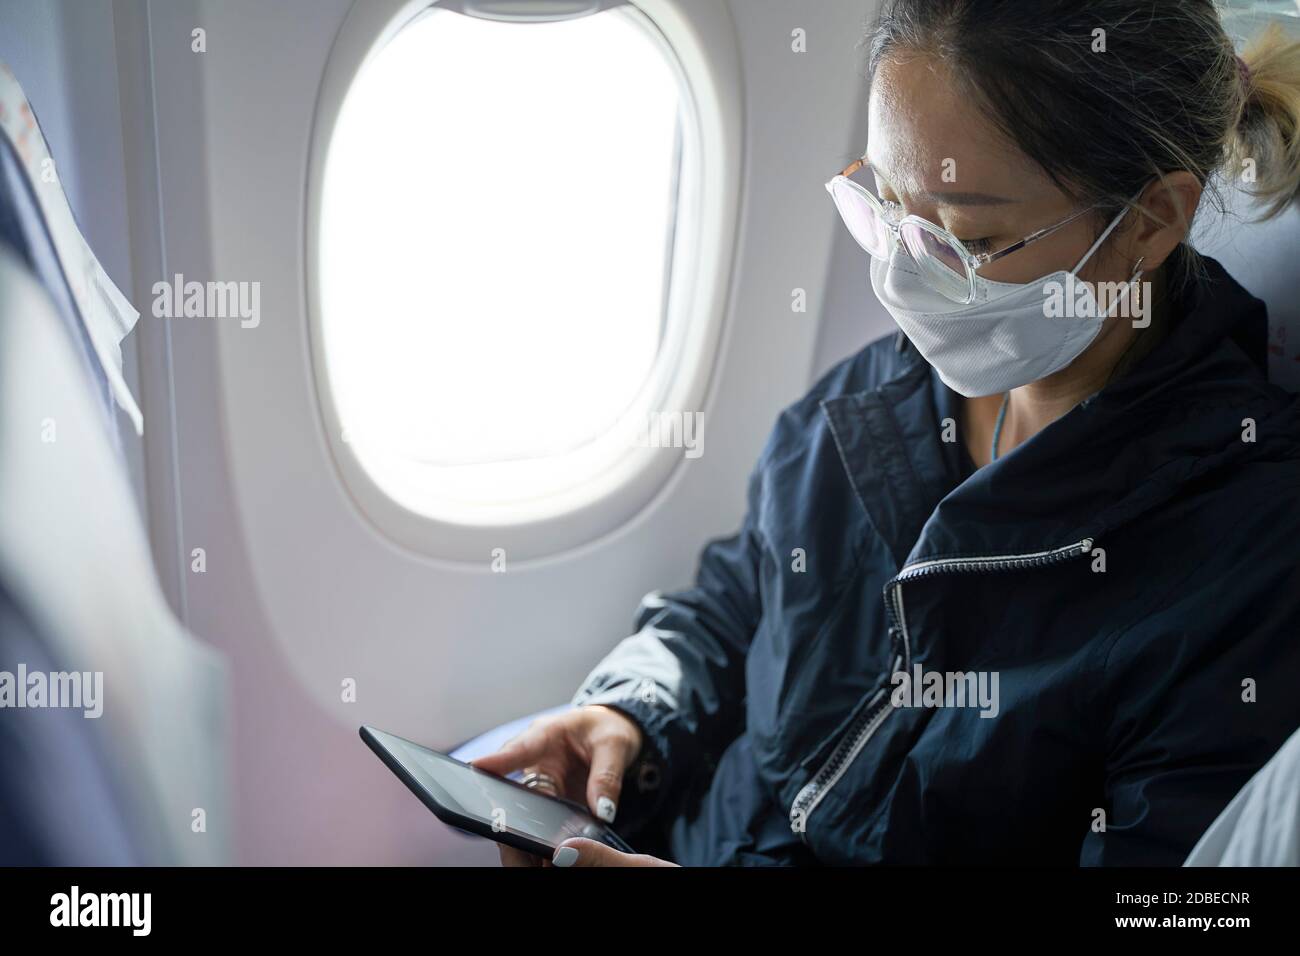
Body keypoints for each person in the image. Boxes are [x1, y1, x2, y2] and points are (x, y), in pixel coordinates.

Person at [474, 0, 1300, 866]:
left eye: (967, 236)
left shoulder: (1248, 563)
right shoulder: (883, 394)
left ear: (1149, 220)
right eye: (889, 209)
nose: (904, 276)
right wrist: (632, 716)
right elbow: (739, 605)